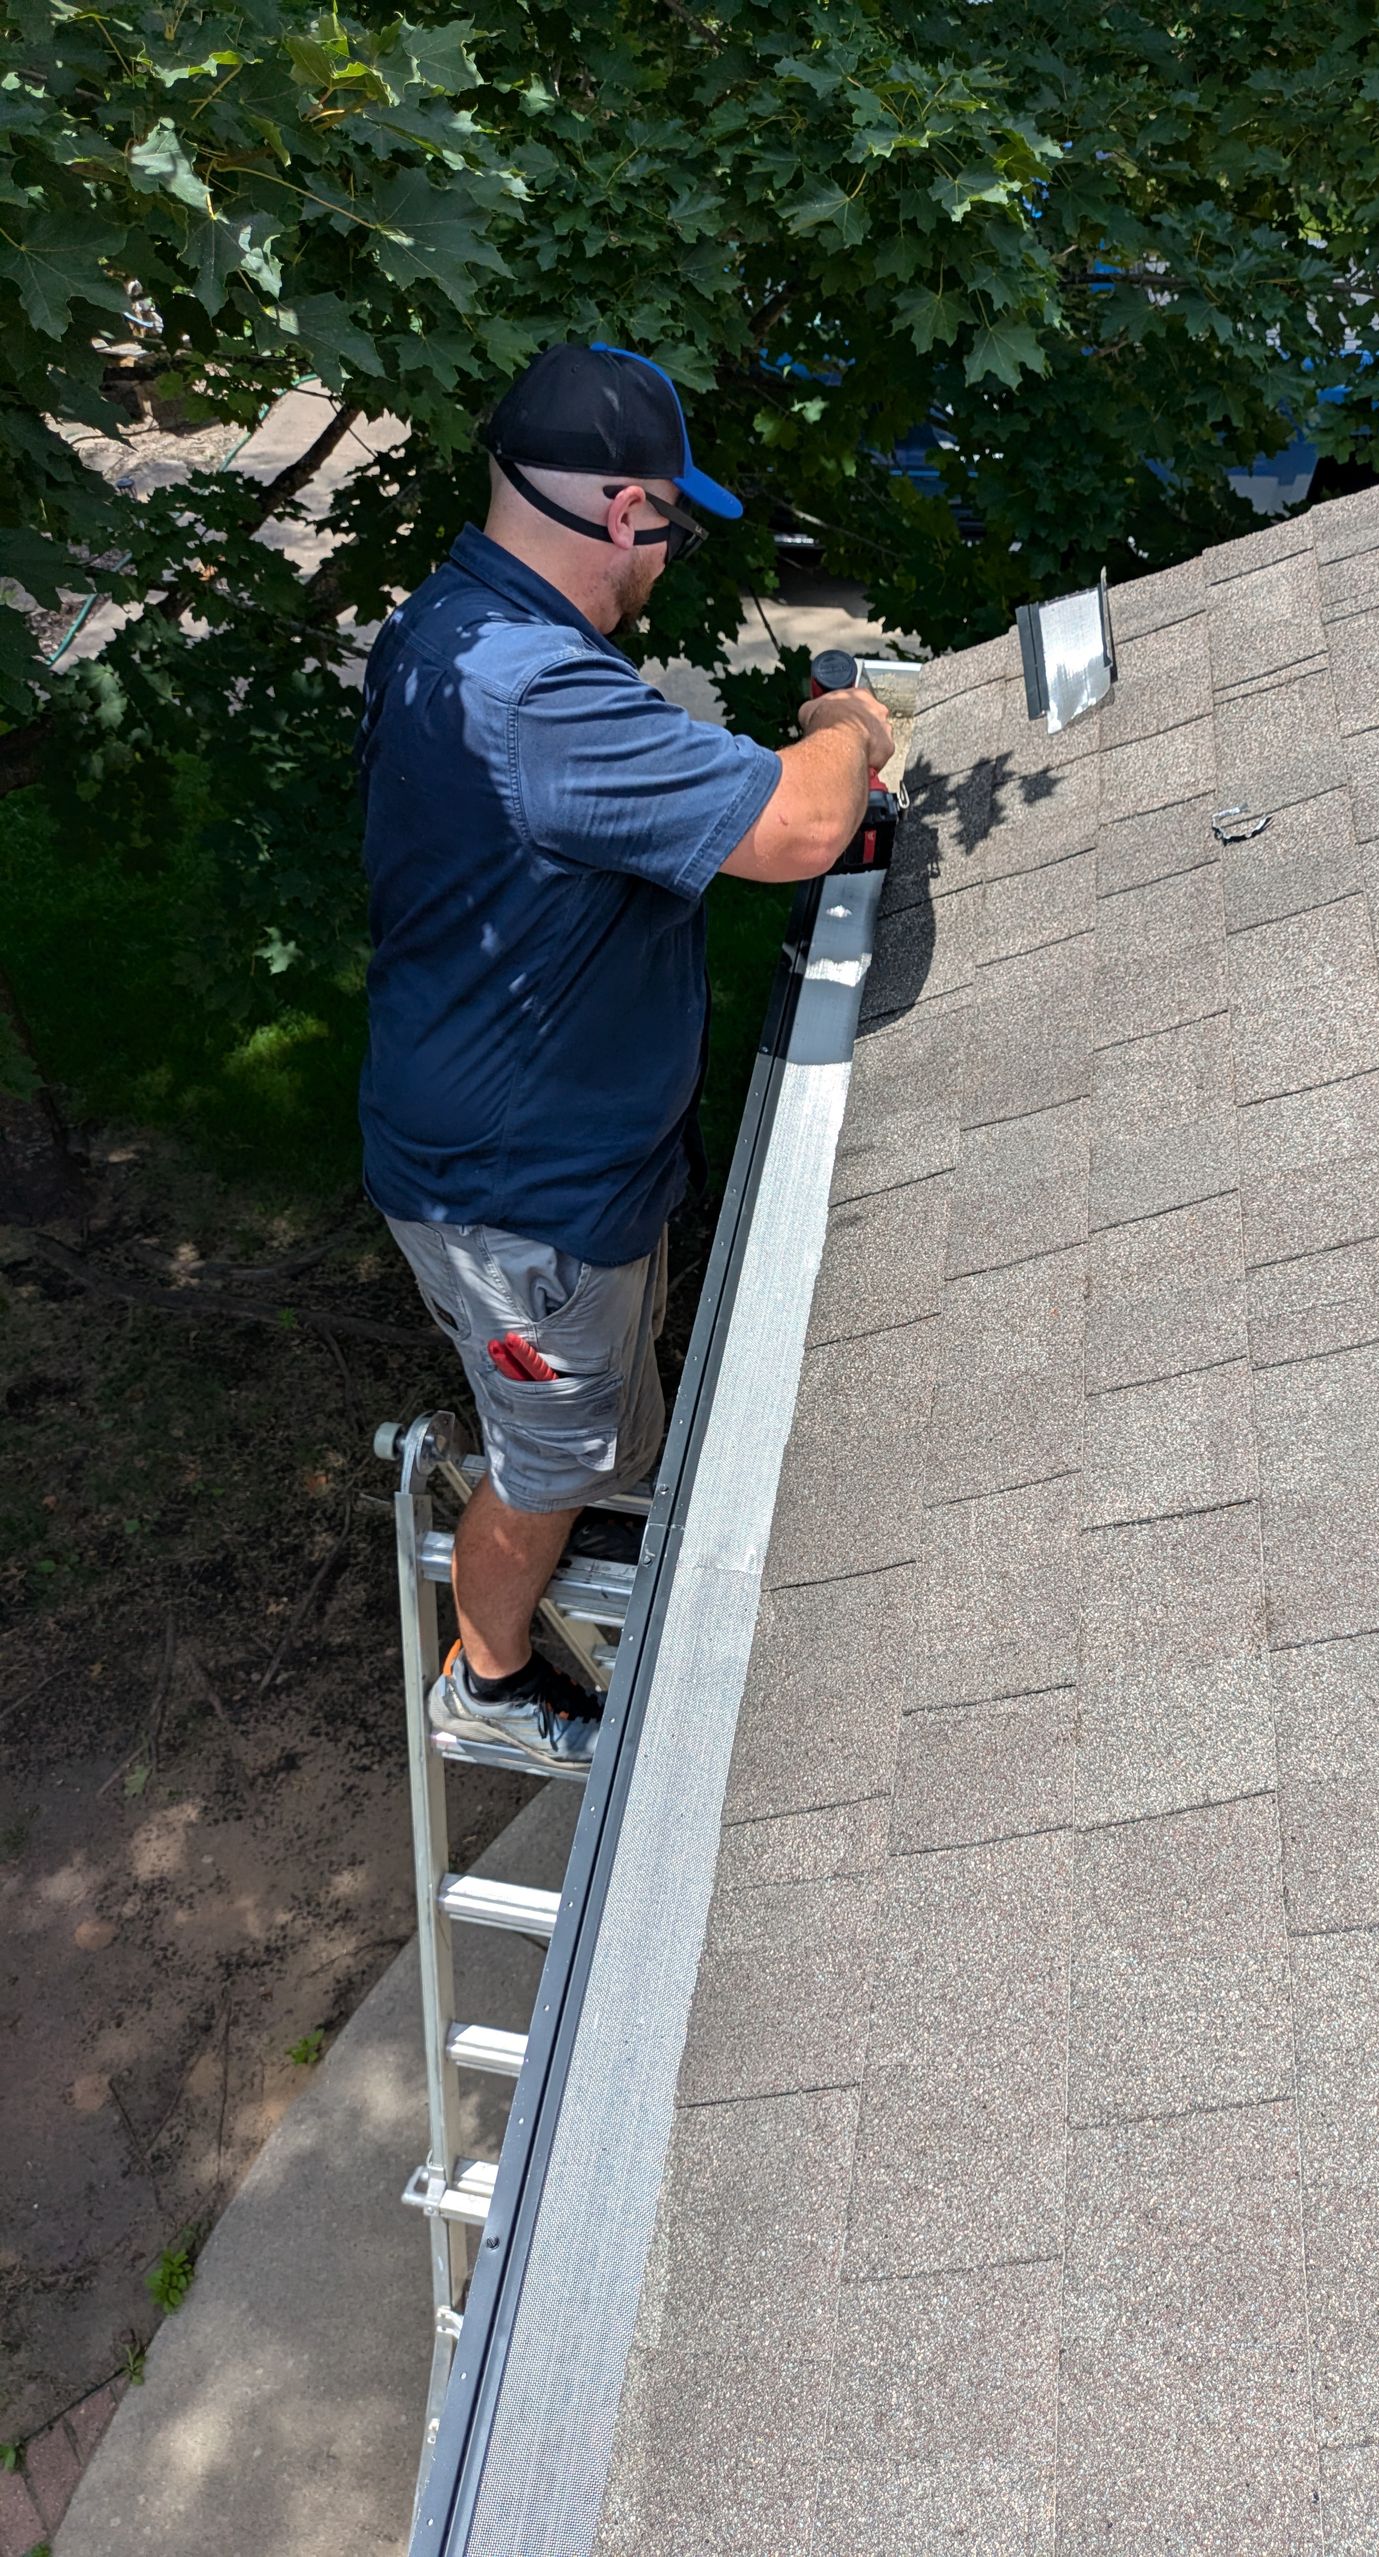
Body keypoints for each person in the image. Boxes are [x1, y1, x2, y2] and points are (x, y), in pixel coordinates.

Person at [357, 341, 893, 1766]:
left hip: (534, 1156)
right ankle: (491, 1678)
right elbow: (795, 829)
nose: (674, 551)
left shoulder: (450, 629)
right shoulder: (537, 694)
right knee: (554, 1454)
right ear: (623, 515)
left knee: (599, 1410)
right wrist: (847, 727)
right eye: (671, 518)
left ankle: (590, 1451)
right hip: (519, 1202)